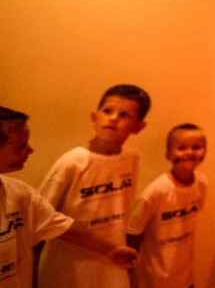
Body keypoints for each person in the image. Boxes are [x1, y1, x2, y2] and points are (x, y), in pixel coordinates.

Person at [1, 107, 138, 288]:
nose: (30, 150)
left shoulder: (21, 194)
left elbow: (61, 225)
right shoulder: (72, 162)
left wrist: (111, 249)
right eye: (21, 145)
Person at [37, 84, 150, 287]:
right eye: (107, 111)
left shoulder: (131, 160)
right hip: (68, 269)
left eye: (124, 115)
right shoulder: (72, 162)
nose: (113, 118)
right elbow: (41, 218)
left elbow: (122, 213)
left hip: (112, 265)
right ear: (94, 117)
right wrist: (105, 247)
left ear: (138, 127)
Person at [126, 123, 208, 288]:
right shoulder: (155, 193)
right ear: (168, 155)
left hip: (185, 276)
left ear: (204, 152)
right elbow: (133, 232)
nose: (190, 152)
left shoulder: (201, 183)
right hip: (154, 279)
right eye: (181, 148)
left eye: (196, 147)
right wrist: (130, 271)